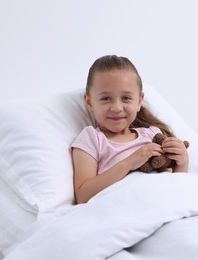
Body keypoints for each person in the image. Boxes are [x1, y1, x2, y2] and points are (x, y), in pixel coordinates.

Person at [71, 55, 189, 204]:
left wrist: (182, 163)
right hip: (125, 206)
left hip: (162, 202)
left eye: (126, 98)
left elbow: (176, 187)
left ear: (139, 101)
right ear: (89, 102)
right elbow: (82, 196)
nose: (116, 108)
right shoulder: (91, 139)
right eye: (106, 98)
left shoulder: (152, 134)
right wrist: (131, 162)